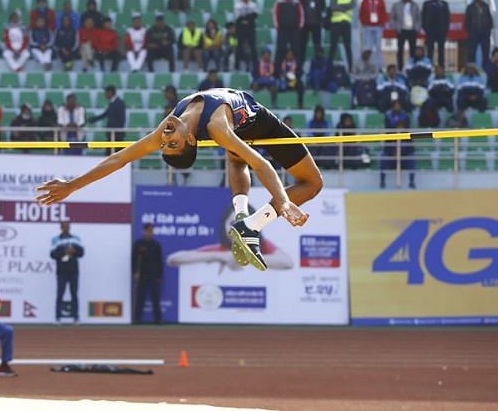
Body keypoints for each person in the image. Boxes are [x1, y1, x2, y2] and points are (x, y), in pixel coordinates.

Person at [36, 88, 324, 272]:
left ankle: (246, 221)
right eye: (170, 143)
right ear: (189, 139)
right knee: (310, 183)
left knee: (240, 157)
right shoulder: (216, 127)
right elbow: (261, 164)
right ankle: (250, 223)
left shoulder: (170, 125)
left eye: (165, 143)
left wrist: (72, 184)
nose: (164, 138)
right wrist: (284, 204)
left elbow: (119, 158)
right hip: (260, 126)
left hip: (247, 125)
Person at [50, 222, 85, 324]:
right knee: (60, 294)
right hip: (61, 271)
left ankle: (76, 317)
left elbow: (82, 253)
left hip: (73, 270)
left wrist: (73, 251)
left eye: (68, 227)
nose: (66, 228)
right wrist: (64, 251)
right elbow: (52, 254)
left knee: (74, 294)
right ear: (61, 228)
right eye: (64, 227)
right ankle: (57, 318)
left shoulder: (76, 239)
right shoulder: (56, 240)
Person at [132, 223, 163, 324]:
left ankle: (158, 319)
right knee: (140, 297)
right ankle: (137, 319)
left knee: (155, 297)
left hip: (153, 273)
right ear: (144, 231)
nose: (150, 233)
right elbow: (134, 259)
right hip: (142, 273)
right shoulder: (138, 243)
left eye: (152, 231)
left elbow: (159, 261)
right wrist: (135, 272)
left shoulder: (156, 244)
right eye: (148, 231)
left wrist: (159, 275)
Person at [380, 103, 416, 189]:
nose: (400, 129)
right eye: (398, 127)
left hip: (404, 158)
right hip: (392, 157)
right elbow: (386, 148)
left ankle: (411, 182)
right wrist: (393, 152)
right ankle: (382, 181)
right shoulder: (390, 137)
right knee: (382, 157)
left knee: (412, 158)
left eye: (402, 127)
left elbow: (411, 148)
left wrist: (402, 153)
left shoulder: (408, 137)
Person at [296, 0, 326, 68]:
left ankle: (318, 63)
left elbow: (323, 4)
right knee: (302, 44)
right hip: (304, 22)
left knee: (317, 44)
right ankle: (300, 64)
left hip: (316, 22)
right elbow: (298, 5)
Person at [272, 0, 304, 73]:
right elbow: (275, 14)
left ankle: (298, 71)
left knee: (296, 50)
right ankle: (277, 71)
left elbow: (301, 15)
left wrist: (299, 27)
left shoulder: (297, 2)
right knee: (281, 50)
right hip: (282, 29)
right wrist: (277, 26)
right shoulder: (279, 2)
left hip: (294, 30)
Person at [390, 0, 421, 71]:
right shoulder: (396, 5)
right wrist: (396, 27)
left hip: (412, 30)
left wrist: (417, 28)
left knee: (413, 50)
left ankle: (412, 68)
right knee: (400, 50)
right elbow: (392, 17)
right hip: (401, 30)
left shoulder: (415, 5)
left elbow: (419, 17)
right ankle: (400, 68)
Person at [328, 0, 355, 71]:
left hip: (346, 24)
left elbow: (351, 5)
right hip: (335, 24)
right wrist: (344, 7)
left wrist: (339, 7)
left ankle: (350, 68)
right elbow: (332, 7)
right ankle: (329, 67)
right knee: (333, 47)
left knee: (348, 47)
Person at [359, 0, 388, 69]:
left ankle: (379, 66)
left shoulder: (380, 1)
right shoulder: (365, 1)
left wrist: (382, 22)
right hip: (368, 26)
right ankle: (368, 65)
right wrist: (363, 22)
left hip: (378, 26)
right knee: (368, 47)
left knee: (378, 46)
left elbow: (383, 12)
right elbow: (361, 12)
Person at [421, 0, 451, 68]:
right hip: (430, 31)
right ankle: (429, 67)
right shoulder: (426, 4)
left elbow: (447, 17)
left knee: (441, 50)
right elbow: (423, 17)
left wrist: (445, 29)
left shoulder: (444, 4)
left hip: (441, 32)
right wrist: (425, 28)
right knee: (430, 50)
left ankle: (441, 67)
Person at [464, 0, 493, 69]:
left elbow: (490, 19)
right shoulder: (470, 7)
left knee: (485, 53)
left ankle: (485, 69)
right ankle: (472, 70)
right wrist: (470, 32)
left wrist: (488, 31)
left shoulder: (486, 6)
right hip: (473, 34)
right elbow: (466, 21)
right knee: (471, 53)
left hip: (484, 34)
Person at [234, 0, 259, 72]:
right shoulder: (238, 5)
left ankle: (256, 66)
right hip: (241, 28)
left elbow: (255, 15)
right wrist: (248, 16)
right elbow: (239, 17)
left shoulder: (253, 4)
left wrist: (246, 17)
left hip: (250, 28)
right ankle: (236, 66)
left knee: (253, 47)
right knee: (239, 47)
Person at [307, 105, 332, 169]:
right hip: (313, 142)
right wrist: (314, 141)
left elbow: (328, 133)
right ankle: (312, 165)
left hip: (323, 142)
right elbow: (309, 133)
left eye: (320, 113)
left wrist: (322, 141)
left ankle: (324, 165)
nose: (318, 114)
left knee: (328, 147)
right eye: (317, 113)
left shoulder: (326, 122)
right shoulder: (310, 122)